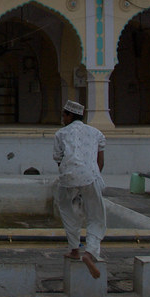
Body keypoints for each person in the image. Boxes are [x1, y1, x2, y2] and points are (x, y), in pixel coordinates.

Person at [52, 99, 106, 279]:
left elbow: (59, 159)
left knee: (67, 211)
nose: (63, 119)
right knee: (96, 216)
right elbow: (100, 161)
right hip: (91, 175)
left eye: (64, 115)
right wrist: (92, 178)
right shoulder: (96, 133)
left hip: (68, 177)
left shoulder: (60, 134)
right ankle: (90, 253)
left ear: (69, 116)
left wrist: (70, 175)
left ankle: (74, 249)